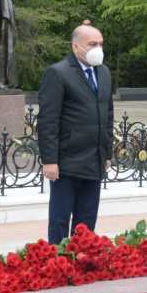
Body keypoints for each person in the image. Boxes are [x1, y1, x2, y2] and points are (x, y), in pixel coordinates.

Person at [38, 24, 114, 244]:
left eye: (100, 44)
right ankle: (57, 261)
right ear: (76, 46)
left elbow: (107, 114)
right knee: (60, 219)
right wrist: (50, 160)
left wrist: (107, 153)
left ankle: (82, 258)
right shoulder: (58, 73)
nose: (98, 48)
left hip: (94, 159)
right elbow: (48, 120)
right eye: (92, 44)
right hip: (67, 161)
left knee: (87, 219)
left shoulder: (104, 72)